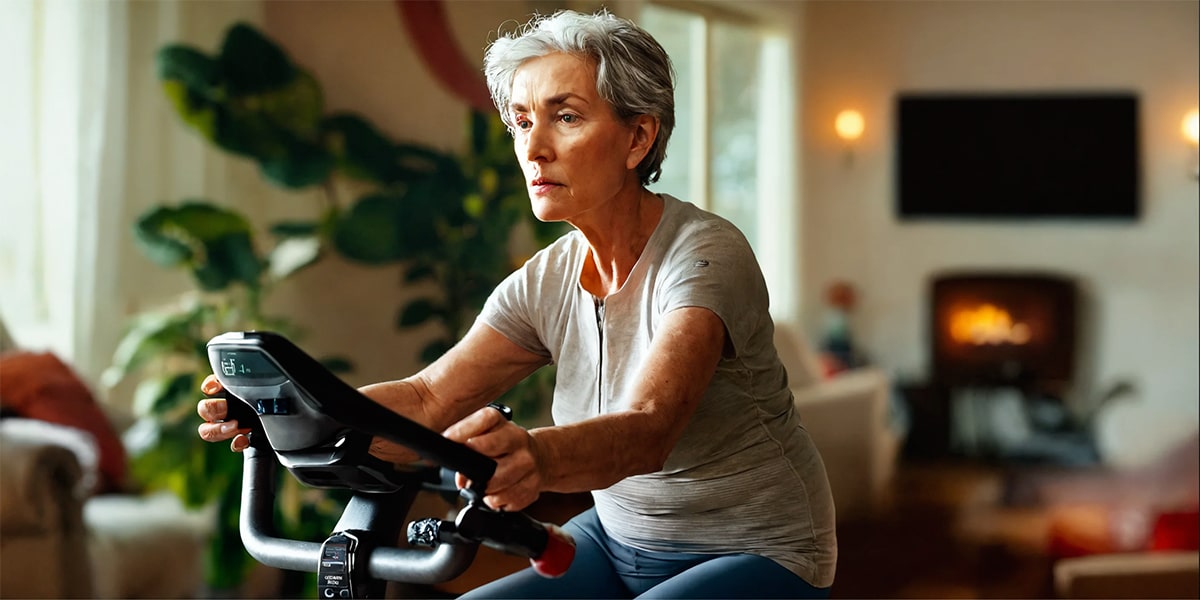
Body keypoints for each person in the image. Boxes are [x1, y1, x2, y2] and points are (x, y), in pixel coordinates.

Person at [197, 8, 836, 599]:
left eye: (566, 117)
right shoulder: (545, 280)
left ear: (638, 137)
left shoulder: (705, 255)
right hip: (617, 541)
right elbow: (426, 400)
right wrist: (299, 410)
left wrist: (538, 456)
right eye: (523, 122)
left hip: (759, 549)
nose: (532, 149)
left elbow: (649, 428)